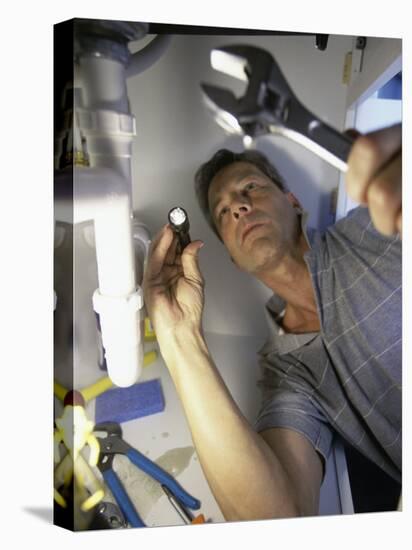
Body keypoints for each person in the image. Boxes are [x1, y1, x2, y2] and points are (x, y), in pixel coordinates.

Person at [143, 123, 402, 521]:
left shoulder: (376, 230)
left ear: (293, 201)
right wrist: (179, 337)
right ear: (232, 255)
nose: (238, 207)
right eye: (223, 212)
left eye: (251, 188)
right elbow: (272, 519)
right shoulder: (287, 372)